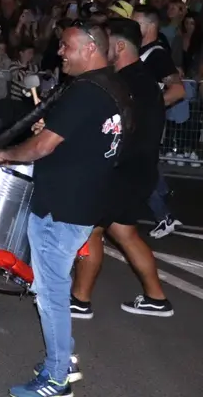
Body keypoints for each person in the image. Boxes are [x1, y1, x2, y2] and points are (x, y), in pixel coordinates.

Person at [0, 23, 130, 397]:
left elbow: (41, 147)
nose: (60, 52)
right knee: (52, 290)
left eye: (66, 46)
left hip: (61, 206)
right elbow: (94, 140)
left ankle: (57, 378)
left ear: (91, 48)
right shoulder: (114, 88)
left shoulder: (85, 92)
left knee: (51, 295)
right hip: (82, 201)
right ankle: (63, 358)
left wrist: (1, 155)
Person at [70, 19, 173, 319]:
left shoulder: (125, 82)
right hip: (141, 171)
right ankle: (156, 298)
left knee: (89, 228)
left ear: (118, 46)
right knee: (126, 234)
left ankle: (80, 300)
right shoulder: (143, 79)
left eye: (106, 44)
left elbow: (114, 129)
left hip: (123, 170)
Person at [133, 6, 186, 238]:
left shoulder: (157, 54)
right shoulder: (143, 51)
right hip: (142, 121)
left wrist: (147, 109)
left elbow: (177, 91)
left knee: (136, 167)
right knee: (144, 165)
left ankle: (164, 216)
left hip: (146, 123)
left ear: (150, 26)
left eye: (137, 24)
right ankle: (163, 193)